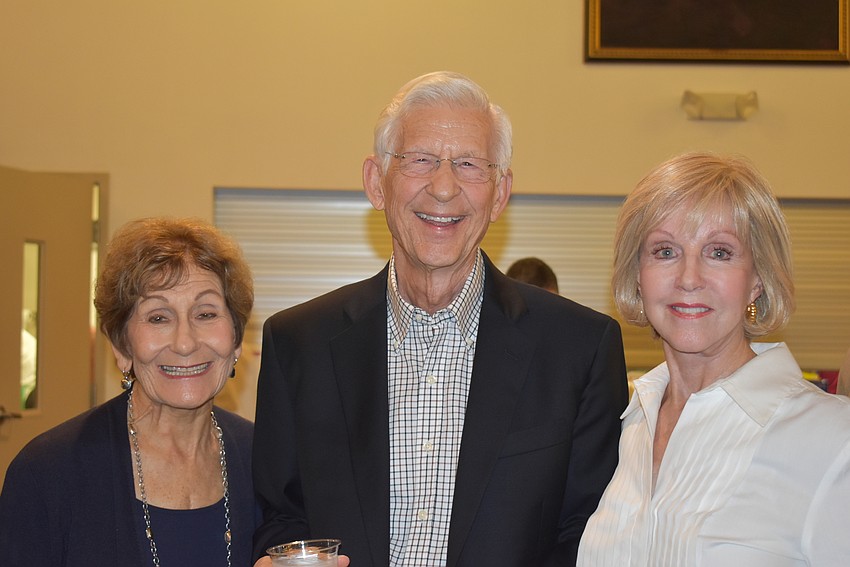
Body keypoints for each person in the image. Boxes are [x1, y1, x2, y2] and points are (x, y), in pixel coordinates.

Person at [252, 71, 628, 567]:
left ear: (499, 193)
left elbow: (590, 534)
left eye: (470, 164)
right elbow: (279, 518)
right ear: (375, 182)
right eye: (420, 160)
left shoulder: (580, 349)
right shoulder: (298, 344)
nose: (444, 188)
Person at [577, 152, 850, 565]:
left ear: (758, 279)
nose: (689, 278)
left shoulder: (831, 441)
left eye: (719, 252)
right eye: (665, 251)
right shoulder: (628, 424)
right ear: (637, 273)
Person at [0, 217, 260, 566]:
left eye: (206, 313)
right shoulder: (47, 473)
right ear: (121, 347)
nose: (185, 343)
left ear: (237, 339)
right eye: (158, 318)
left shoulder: (265, 460)